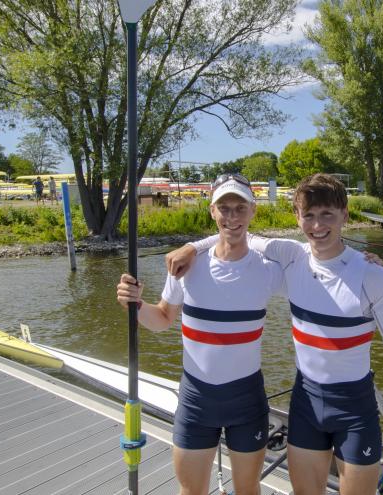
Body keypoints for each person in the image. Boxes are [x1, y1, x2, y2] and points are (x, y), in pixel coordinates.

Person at [166, 173, 383, 495]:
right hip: (306, 403)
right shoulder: (291, 258)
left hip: (355, 410)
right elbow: (238, 236)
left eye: (327, 215)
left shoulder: (374, 276)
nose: (317, 225)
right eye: (308, 215)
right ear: (297, 218)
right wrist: (191, 248)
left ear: (345, 216)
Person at [116, 174, 284, 495]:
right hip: (196, 400)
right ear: (212, 212)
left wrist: (363, 264)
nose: (232, 216)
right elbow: (163, 318)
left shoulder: (268, 269)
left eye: (240, 208)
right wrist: (134, 304)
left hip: (246, 400)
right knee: (191, 491)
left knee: (248, 489)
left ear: (253, 213)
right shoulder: (186, 267)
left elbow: (318, 269)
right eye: (224, 208)